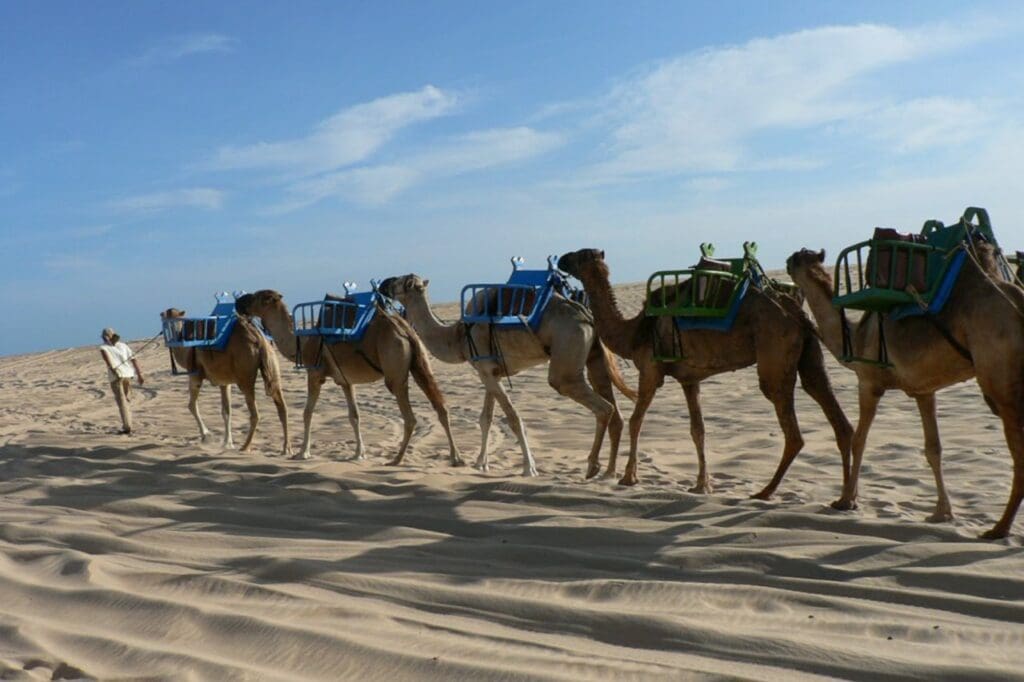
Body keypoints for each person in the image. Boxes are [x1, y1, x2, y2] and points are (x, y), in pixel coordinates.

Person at [99, 327, 144, 434]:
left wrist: (115, 371)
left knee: (122, 402)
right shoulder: (123, 345)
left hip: (117, 377)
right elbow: (134, 360)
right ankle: (128, 424)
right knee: (126, 401)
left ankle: (127, 426)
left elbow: (108, 362)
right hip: (127, 375)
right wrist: (139, 374)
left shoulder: (104, 347)